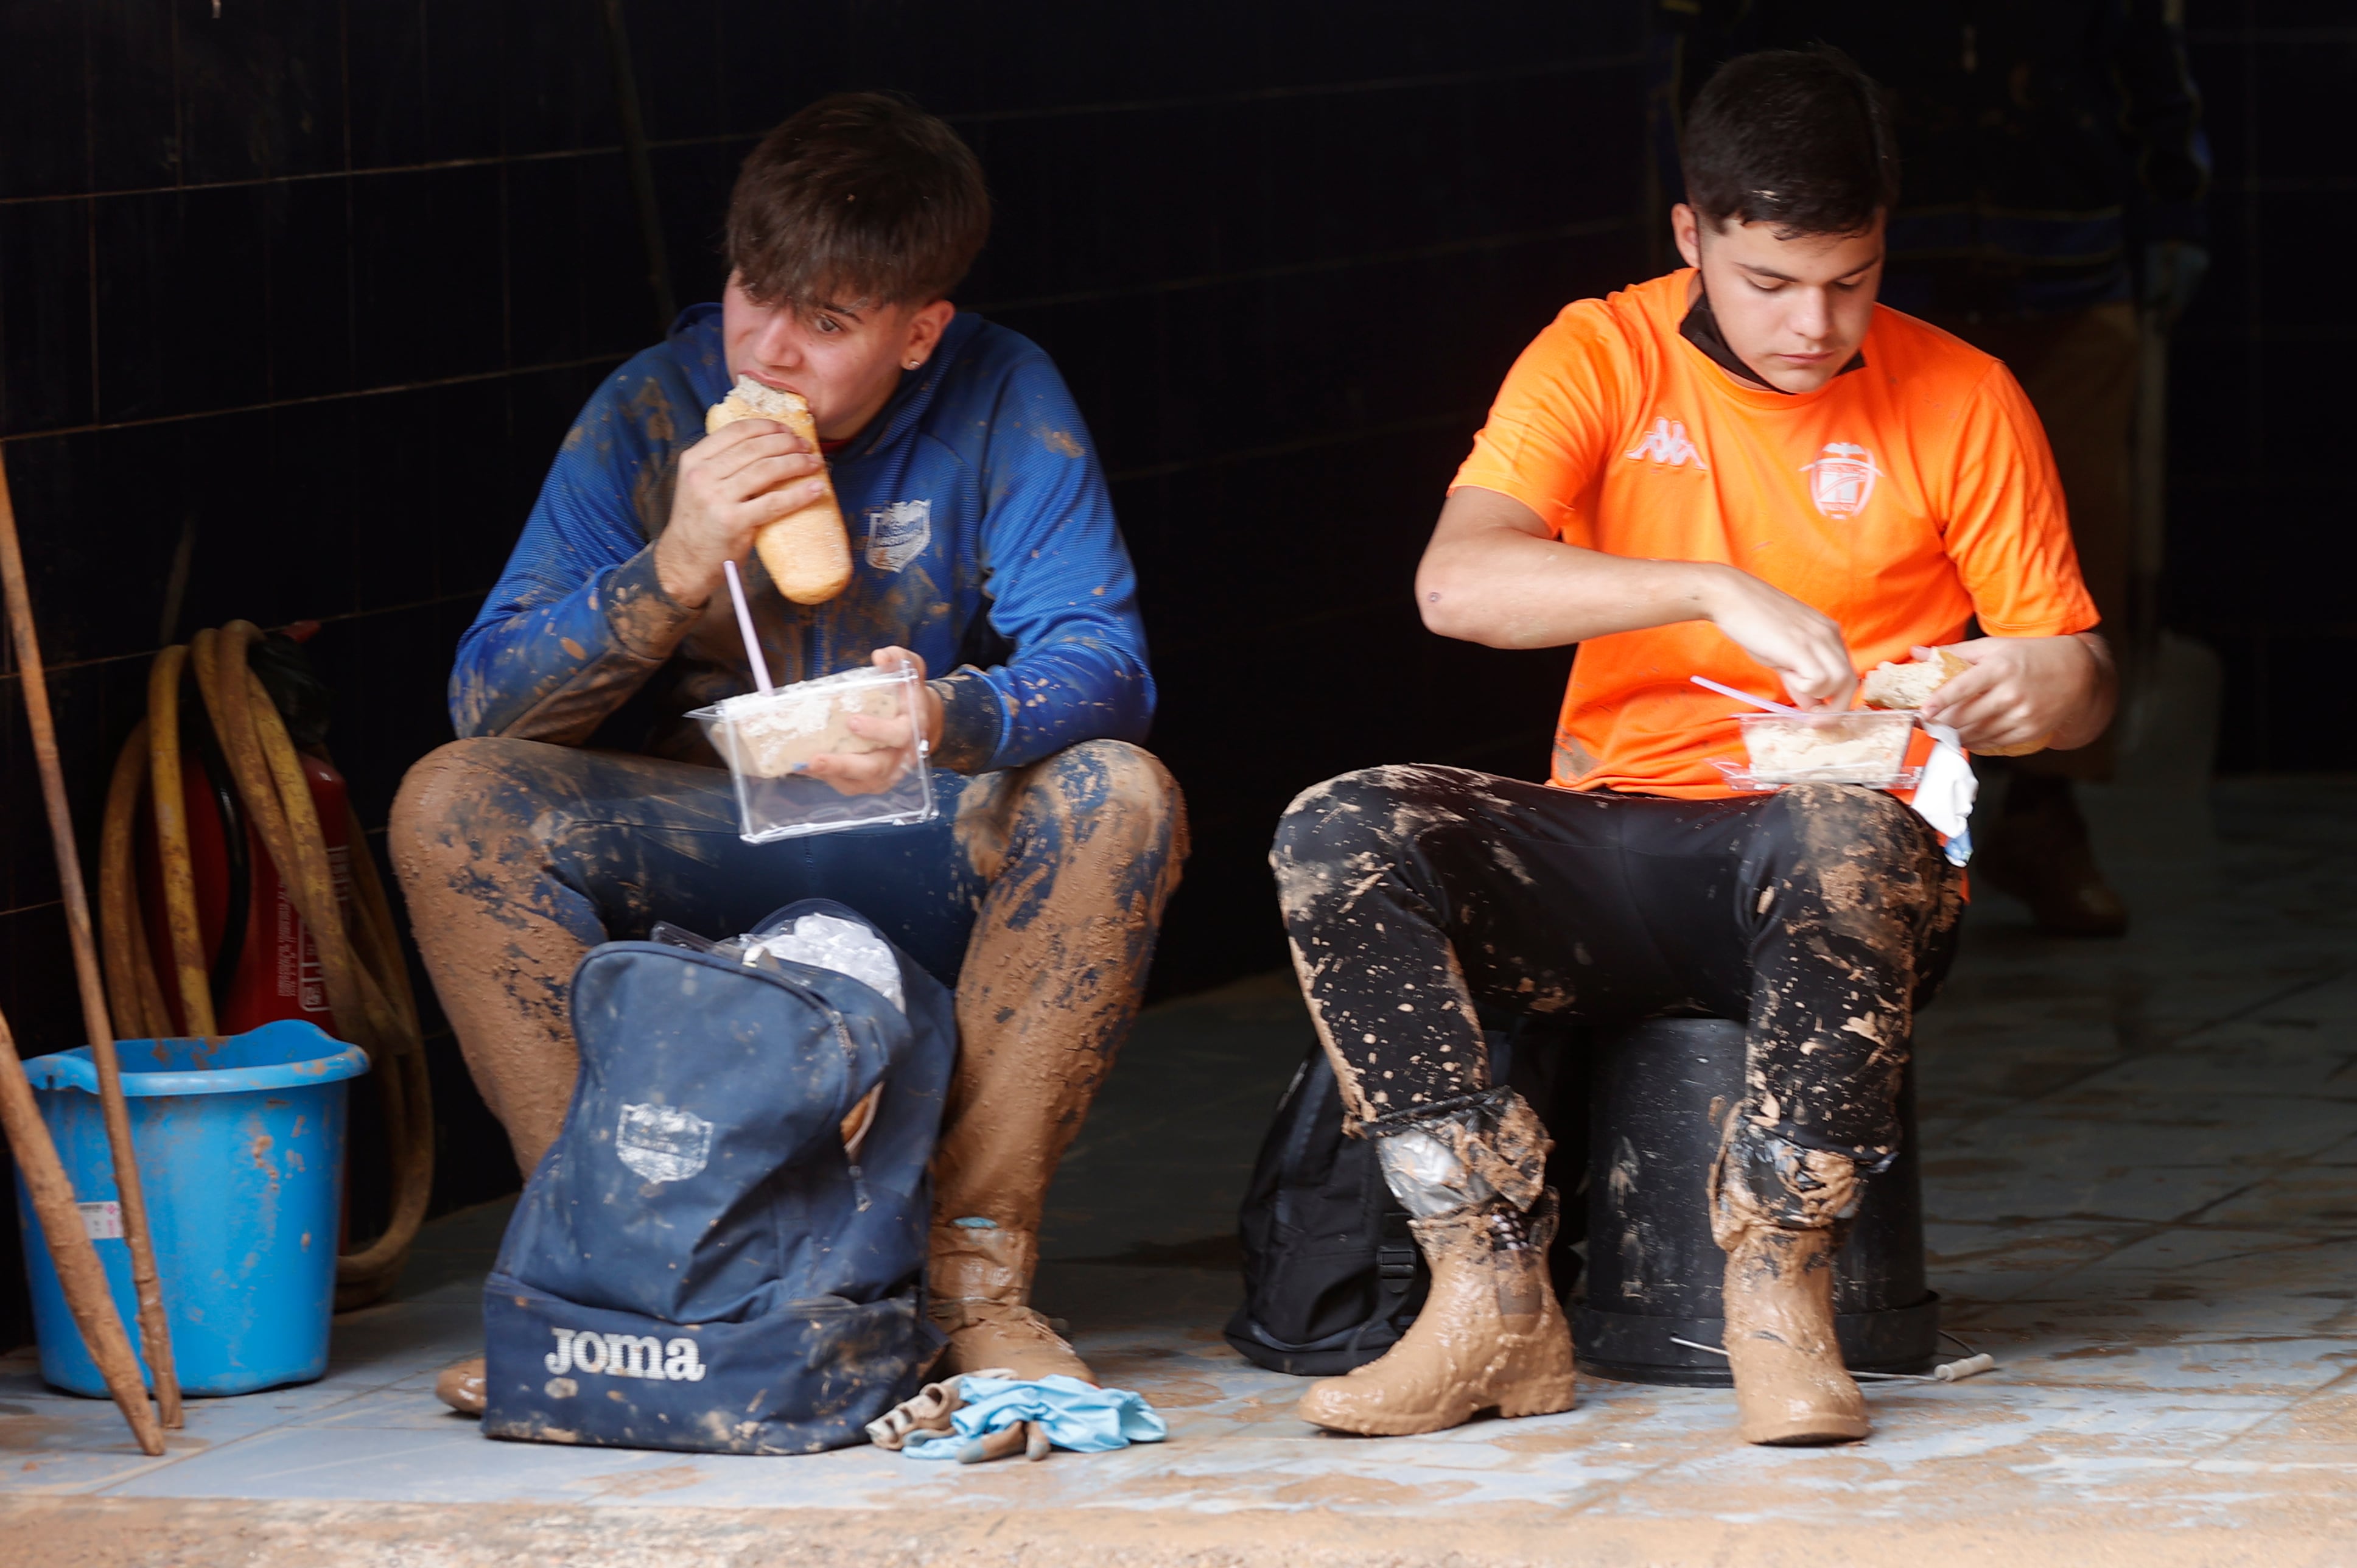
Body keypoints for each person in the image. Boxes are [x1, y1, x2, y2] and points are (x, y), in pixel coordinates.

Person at [1269, 48, 2111, 1446]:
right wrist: (1710, 588)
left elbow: (2078, 674)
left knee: (1844, 836)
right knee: (1342, 828)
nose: (1812, 323)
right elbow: (1455, 585)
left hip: (1841, 864)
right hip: (1615, 842)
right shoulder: (1600, 350)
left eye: (1847, 279)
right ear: (1691, 235)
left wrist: (2042, 686)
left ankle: (1779, 1288)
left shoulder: (1964, 394)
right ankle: (1489, 1293)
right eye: (1769, 281)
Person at [390, 94, 1185, 1414]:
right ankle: (605, 1275)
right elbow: (489, 704)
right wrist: (669, 569)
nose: (772, 349)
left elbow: (1105, 662)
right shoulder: (652, 408)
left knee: (1121, 795)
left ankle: (969, 1281)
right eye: (757, 295)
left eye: (829, 323)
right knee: (451, 803)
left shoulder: (1001, 392)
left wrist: (948, 716)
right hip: (699, 834)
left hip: (908, 825)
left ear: (919, 331)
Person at [1664, 1, 2210, 934]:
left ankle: (2045, 816)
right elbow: (1721, 81)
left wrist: (2172, 215)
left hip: (2063, 260)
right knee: (1836, 540)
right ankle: (1819, 815)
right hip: (1868, 287)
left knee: (2070, 559)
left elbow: (2147, 62)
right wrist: (1743, 264)